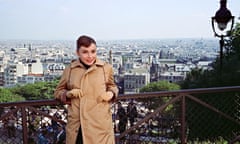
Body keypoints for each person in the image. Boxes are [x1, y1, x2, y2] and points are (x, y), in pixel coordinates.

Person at [54, 35, 118, 144]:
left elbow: (112, 86)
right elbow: (57, 92)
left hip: (99, 126)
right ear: (77, 52)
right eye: (85, 52)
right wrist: (68, 93)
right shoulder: (70, 70)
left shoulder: (106, 68)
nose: (90, 56)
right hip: (78, 126)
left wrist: (111, 93)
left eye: (93, 51)